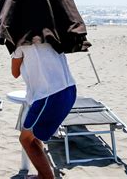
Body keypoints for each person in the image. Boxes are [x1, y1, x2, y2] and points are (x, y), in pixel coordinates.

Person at [11, 36, 77, 179]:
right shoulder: (53, 36)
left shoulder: (20, 43)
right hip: (69, 90)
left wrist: (16, 53)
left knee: (25, 139)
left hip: (49, 96)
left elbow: (15, 72)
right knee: (33, 137)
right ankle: (43, 174)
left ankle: (46, 177)